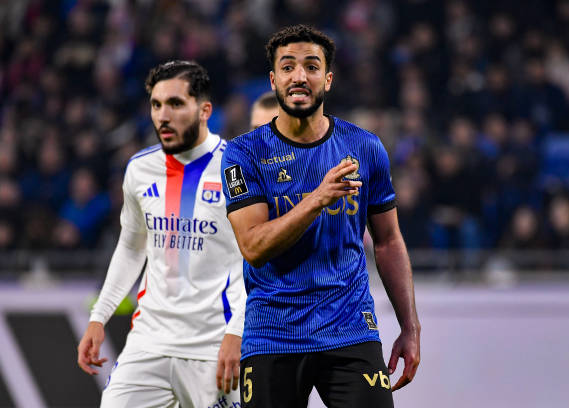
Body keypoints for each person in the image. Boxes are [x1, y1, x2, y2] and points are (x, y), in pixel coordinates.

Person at [221, 25, 420, 408]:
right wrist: (317, 199)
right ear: (274, 80)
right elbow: (253, 246)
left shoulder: (365, 147)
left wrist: (410, 326)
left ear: (327, 79)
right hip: (273, 334)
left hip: (350, 329)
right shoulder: (244, 154)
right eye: (288, 67)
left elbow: (388, 241)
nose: (299, 76)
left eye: (311, 67)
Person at [77, 60, 246, 408]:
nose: (162, 116)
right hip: (148, 342)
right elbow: (130, 248)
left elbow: (256, 259)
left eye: (175, 104)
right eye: (156, 105)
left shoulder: (238, 168)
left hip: (213, 346)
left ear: (205, 110)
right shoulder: (140, 169)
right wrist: (99, 316)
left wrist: (237, 332)